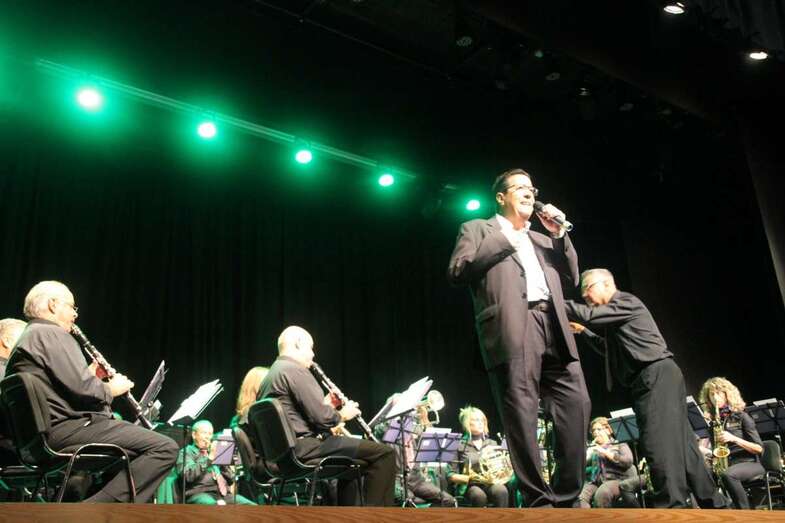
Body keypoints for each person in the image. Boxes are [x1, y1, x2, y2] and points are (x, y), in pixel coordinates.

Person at [447, 168, 591, 507]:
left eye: (532, 188)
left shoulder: (540, 238)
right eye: (520, 188)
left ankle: (566, 495)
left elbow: (572, 277)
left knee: (577, 404)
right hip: (513, 325)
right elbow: (458, 270)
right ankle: (538, 499)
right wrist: (508, 238)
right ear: (501, 197)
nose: (529, 193)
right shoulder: (477, 228)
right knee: (522, 413)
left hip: (553, 323)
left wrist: (559, 235)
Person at [6, 280, 179, 502]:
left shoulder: (31, 335)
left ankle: (95, 506)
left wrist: (90, 375)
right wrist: (111, 388)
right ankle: (95, 510)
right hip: (66, 430)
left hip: (45, 435)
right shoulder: (51, 333)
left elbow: (64, 387)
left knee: (134, 452)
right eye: (72, 307)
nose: (75, 314)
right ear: (53, 304)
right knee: (164, 447)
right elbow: (84, 390)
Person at [566, 269, 725, 508]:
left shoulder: (625, 301)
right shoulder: (618, 317)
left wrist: (555, 301)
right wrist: (583, 332)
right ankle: (714, 503)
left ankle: (671, 506)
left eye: (588, 288)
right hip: (660, 375)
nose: (585, 296)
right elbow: (609, 349)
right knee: (684, 445)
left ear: (607, 284)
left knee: (656, 442)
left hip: (655, 375)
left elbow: (589, 315)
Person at [257, 325, 395, 506]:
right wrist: (343, 414)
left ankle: (349, 517)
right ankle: (375, 517)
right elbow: (322, 419)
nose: (313, 354)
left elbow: (295, 416)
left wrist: (327, 405)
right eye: (310, 347)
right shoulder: (295, 369)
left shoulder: (272, 374)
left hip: (285, 456)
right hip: (305, 448)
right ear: (298, 343)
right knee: (385, 454)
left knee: (355, 466)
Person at [698, 377, 764, 509]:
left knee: (728, 474)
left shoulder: (741, 416)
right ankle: (721, 511)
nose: (715, 397)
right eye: (712, 394)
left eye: (719, 393)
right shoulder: (714, 423)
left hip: (750, 463)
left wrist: (734, 439)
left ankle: (744, 513)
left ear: (727, 394)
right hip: (728, 464)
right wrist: (708, 454)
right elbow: (717, 451)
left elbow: (759, 449)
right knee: (698, 477)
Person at [177, 419, 255, 505]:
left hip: (223, 495)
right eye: (204, 433)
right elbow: (187, 476)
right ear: (194, 435)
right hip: (200, 494)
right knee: (216, 506)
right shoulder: (186, 452)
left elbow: (230, 480)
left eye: (210, 434)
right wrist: (210, 458)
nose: (207, 437)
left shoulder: (213, 451)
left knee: (252, 507)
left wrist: (222, 462)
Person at [447, 405, 510, 507]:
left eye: (482, 420)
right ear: (466, 423)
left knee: (501, 491)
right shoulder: (458, 445)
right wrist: (470, 479)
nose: (481, 423)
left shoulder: (492, 443)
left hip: (490, 483)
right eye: (476, 420)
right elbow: (450, 475)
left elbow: (500, 468)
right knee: (478, 495)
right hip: (469, 485)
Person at [578, 416, 636, 508]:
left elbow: (628, 461)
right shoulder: (593, 448)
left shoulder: (619, 444)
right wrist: (587, 454)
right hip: (596, 482)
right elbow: (581, 468)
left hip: (618, 480)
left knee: (602, 493)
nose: (595, 432)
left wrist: (605, 452)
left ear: (608, 430)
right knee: (580, 497)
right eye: (593, 430)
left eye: (599, 429)